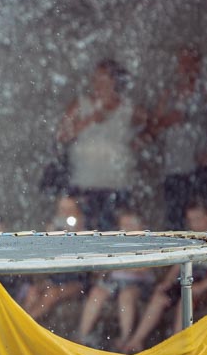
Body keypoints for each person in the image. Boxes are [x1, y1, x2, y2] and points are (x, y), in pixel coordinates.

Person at [57, 58, 146, 231]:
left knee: (115, 234)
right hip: (84, 184)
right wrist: (89, 120)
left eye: (103, 79)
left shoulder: (128, 107)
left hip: (117, 184)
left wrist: (136, 143)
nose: (98, 84)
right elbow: (62, 135)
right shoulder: (81, 104)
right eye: (96, 79)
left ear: (114, 81)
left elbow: (151, 126)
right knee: (83, 232)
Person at [119, 198, 207, 353]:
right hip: (189, 276)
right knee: (160, 297)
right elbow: (180, 262)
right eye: (191, 220)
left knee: (186, 299)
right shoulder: (192, 237)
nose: (194, 224)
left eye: (198, 219)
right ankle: (136, 341)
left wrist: (202, 286)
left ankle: (177, 345)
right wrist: (167, 282)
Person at [145, 46, 207, 230]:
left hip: (202, 168)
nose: (186, 67)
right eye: (183, 62)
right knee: (175, 221)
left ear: (198, 65)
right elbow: (151, 130)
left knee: (203, 217)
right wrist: (167, 121)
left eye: (191, 62)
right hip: (175, 168)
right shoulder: (169, 95)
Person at [76, 207, 154, 349]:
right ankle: (82, 335)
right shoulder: (116, 242)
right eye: (124, 226)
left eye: (131, 226)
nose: (127, 230)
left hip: (137, 284)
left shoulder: (147, 243)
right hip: (114, 283)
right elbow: (104, 266)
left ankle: (125, 338)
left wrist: (122, 264)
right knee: (96, 292)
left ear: (141, 226)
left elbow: (144, 268)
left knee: (126, 295)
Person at [21, 195, 90, 323]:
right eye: (62, 209)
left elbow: (82, 263)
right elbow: (44, 255)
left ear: (78, 212)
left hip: (76, 280)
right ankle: (21, 320)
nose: (65, 213)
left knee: (51, 293)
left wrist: (73, 233)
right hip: (55, 278)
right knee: (33, 291)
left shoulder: (84, 233)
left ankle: (24, 324)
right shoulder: (55, 230)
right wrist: (49, 236)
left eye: (70, 210)